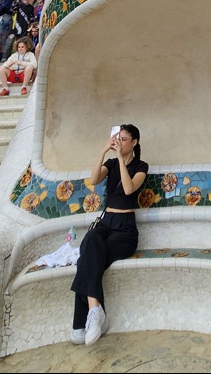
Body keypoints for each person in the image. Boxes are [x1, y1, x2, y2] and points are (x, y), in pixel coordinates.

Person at [70, 124, 148, 346]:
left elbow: (128, 188)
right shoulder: (111, 163)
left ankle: (79, 324)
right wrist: (103, 151)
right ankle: (95, 311)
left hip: (125, 230)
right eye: (118, 138)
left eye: (124, 139)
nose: (119, 143)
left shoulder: (141, 166)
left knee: (88, 257)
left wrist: (121, 161)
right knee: (91, 243)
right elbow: (94, 180)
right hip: (105, 222)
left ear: (134, 143)